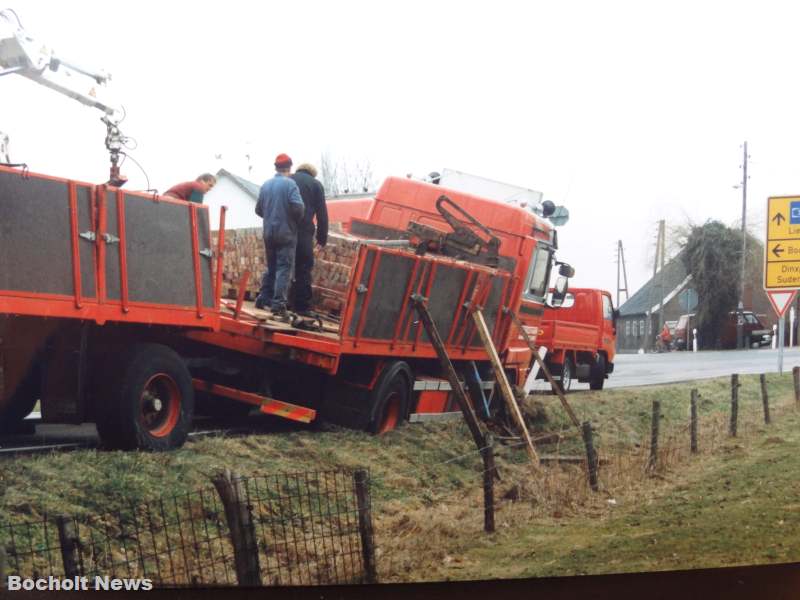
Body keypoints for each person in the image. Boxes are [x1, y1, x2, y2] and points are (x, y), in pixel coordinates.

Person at [255, 154, 305, 319]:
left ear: (276, 168)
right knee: (284, 268)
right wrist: (293, 221)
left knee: (271, 266)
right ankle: (278, 304)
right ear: (289, 168)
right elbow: (298, 208)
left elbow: (258, 210)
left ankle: (263, 298)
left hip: (269, 232)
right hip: (286, 232)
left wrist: (271, 217)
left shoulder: (266, 185)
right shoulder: (290, 184)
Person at [290, 163, 328, 315]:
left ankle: (278, 301)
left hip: (285, 229)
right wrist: (321, 239)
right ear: (313, 173)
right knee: (303, 268)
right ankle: (301, 306)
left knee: (282, 265)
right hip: (304, 232)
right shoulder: (316, 185)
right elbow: (322, 214)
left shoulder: (289, 180)